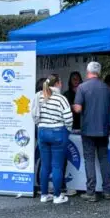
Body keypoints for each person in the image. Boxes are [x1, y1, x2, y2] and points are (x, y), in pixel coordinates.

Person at [74, 62, 110, 202]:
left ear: (87, 71)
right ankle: (107, 190)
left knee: (89, 159)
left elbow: (78, 109)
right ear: (99, 72)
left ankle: (91, 191)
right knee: (104, 158)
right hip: (103, 129)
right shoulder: (107, 88)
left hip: (88, 129)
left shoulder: (82, 87)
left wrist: (75, 106)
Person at [33, 73, 73, 204]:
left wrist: (41, 126)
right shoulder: (61, 98)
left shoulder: (38, 96)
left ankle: (44, 195)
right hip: (58, 132)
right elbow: (68, 118)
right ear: (57, 84)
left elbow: (34, 115)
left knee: (45, 165)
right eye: (60, 82)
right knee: (57, 166)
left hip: (42, 132)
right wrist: (68, 130)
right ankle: (57, 196)